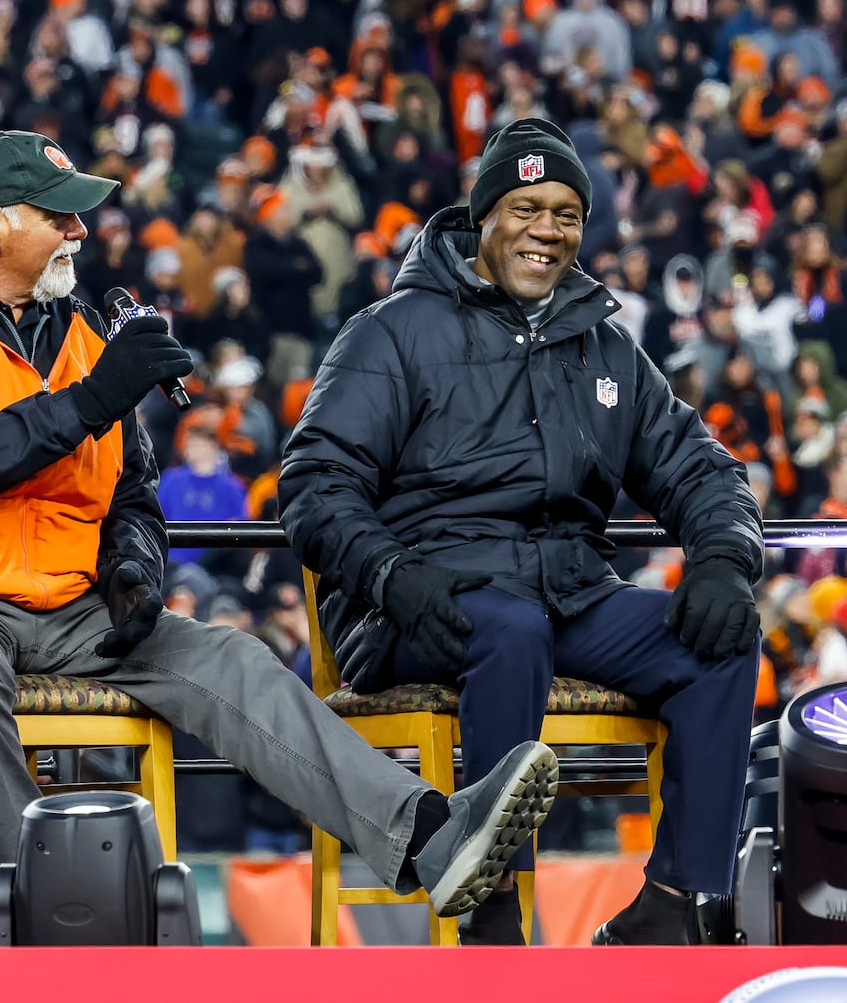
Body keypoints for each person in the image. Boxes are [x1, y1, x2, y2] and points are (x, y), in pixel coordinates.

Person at [0, 128, 559, 921]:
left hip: (62, 605)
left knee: (231, 655)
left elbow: (131, 495)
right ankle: (49, 903)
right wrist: (93, 399)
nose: (80, 232)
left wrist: (133, 572)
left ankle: (427, 839)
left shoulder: (85, 328)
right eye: (58, 216)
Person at [279, 118, 762, 946]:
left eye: (568, 212)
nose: (548, 229)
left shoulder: (604, 346)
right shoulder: (391, 331)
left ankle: (676, 907)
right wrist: (391, 572)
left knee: (722, 638)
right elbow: (315, 484)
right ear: (485, 216)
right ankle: (493, 913)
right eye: (527, 206)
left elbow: (703, 468)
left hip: (566, 595)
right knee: (509, 628)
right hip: (420, 603)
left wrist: (723, 556)